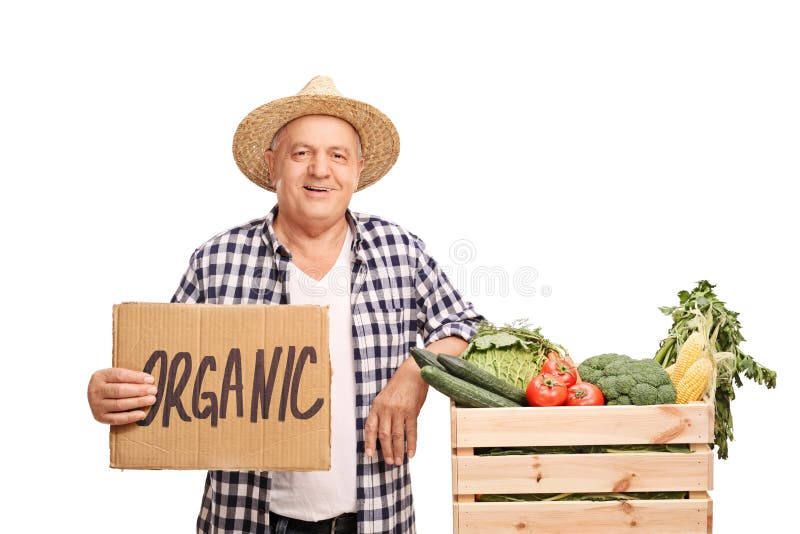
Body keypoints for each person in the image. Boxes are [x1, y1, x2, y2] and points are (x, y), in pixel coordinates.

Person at [87, 76, 483, 533]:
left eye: (337, 155)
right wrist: (110, 393)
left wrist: (416, 374)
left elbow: (467, 325)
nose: (320, 170)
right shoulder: (218, 259)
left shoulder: (399, 250)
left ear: (357, 169)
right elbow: (168, 379)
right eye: (302, 154)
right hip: (246, 519)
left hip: (375, 518)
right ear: (273, 164)